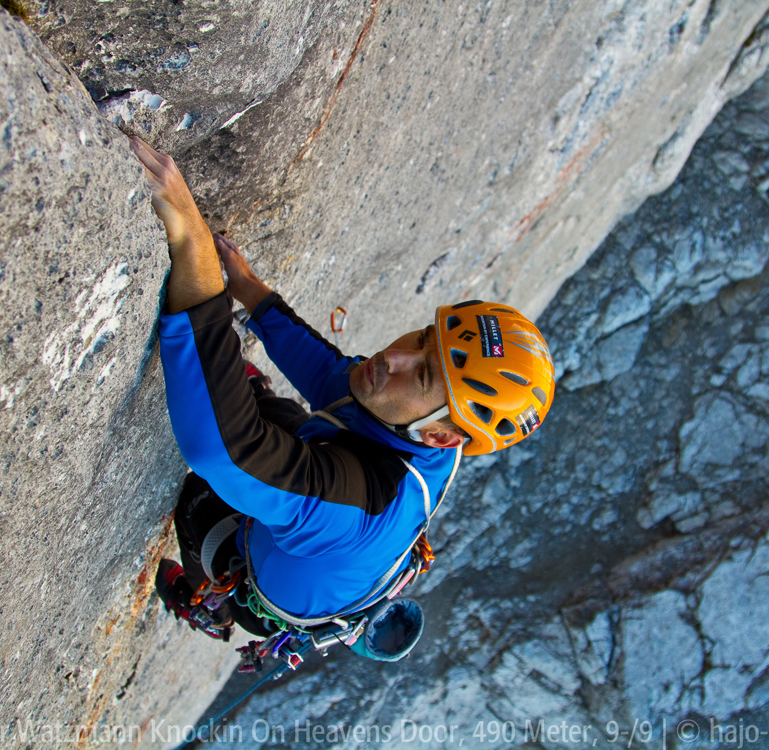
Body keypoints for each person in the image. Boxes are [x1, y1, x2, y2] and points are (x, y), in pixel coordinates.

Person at [128, 136, 555, 642]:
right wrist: (247, 288)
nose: (392, 358)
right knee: (283, 411)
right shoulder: (419, 417)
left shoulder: (356, 502)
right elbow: (331, 375)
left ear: (442, 437)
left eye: (421, 374)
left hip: (267, 579)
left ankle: (215, 611)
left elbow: (224, 452)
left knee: (200, 500)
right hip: (334, 515)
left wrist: (193, 246)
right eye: (422, 339)